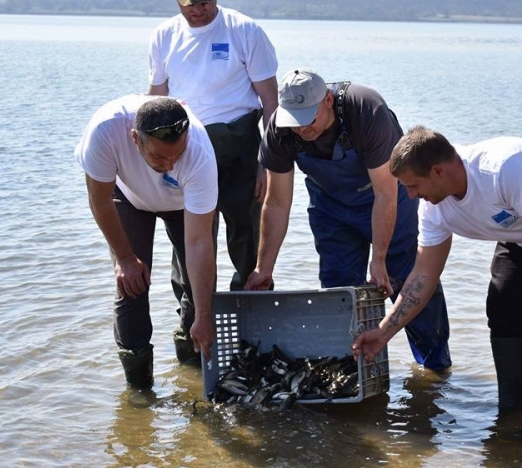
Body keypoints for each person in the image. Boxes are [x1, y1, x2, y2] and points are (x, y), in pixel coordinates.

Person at [352, 126, 522, 434]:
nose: (411, 196)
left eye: (413, 186)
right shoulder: (434, 208)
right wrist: (384, 333)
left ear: (438, 171)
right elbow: (423, 275)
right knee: (502, 310)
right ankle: (512, 412)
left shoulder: (503, 169)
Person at [245, 69, 451, 371]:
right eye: (294, 121)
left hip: (386, 199)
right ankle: (348, 369)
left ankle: (434, 370)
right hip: (331, 206)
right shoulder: (279, 128)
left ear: (327, 100)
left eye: (308, 119)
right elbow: (276, 202)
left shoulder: (367, 110)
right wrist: (264, 267)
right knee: (338, 291)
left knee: (408, 280)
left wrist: (378, 258)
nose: (301, 129)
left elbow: (385, 192)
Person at [147, 0, 278, 362]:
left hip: (240, 145)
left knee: (246, 237)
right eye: (190, 4)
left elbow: (270, 101)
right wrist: (149, 160)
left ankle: (252, 332)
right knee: (190, 242)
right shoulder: (163, 35)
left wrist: (268, 162)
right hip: (185, 147)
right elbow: (155, 99)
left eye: (204, 2)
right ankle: (191, 334)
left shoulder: (245, 30)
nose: (198, 10)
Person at [74, 94, 218, 395]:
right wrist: (125, 259)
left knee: (198, 287)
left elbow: (199, 242)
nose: (169, 166)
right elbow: (98, 201)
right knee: (131, 285)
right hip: (129, 198)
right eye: (159, 158)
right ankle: (139, 392)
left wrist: (205, 316)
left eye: (176, 156)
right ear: (134, 139)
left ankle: (190, 367)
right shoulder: (105, 130)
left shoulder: (200, 153)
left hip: (183, 206)